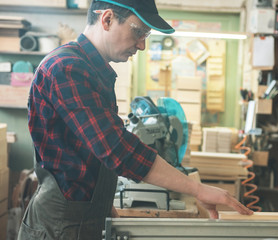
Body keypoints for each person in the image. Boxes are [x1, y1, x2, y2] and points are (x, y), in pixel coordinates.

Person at [18, 0, 253, 239]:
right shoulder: (67, 68)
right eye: (138, 31)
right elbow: (117, 149)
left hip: (85, 217)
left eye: (146, 34)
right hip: (60, 226)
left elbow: (91, 155)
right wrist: (197, 189)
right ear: (107, 19)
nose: (142, 44)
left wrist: (104, 208)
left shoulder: (93, 70)